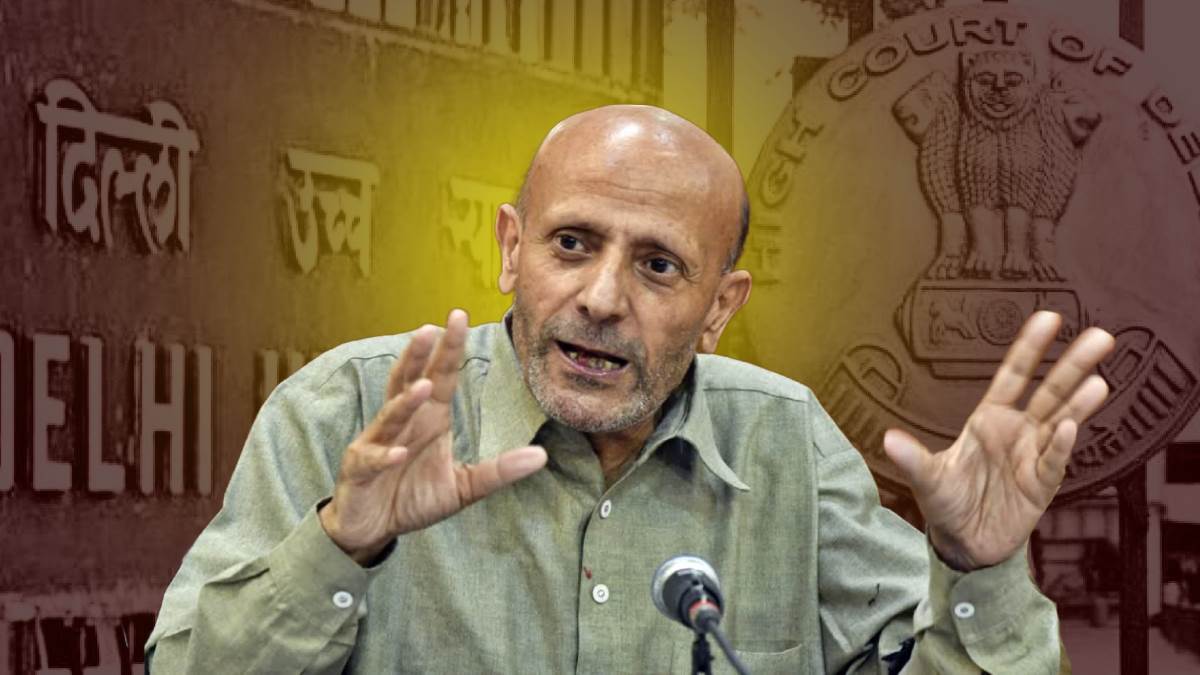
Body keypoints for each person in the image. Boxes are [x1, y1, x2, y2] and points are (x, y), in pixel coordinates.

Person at [146, 105, 1113, 673]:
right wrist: (341, 544)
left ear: (720, 306)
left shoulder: (787, 445)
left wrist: (981, 570)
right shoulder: (346, 412)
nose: (602, 298)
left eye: (658, 265)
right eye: (571, 244)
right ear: (511, 249)